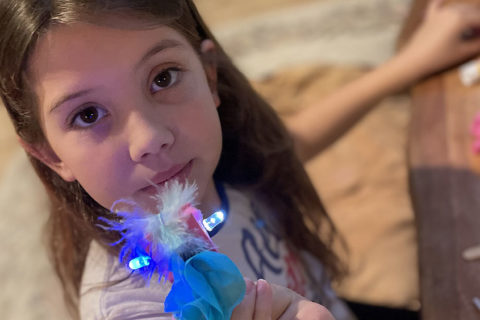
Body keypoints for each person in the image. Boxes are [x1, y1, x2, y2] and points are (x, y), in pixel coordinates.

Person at [0, 0, 479, 319]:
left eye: (163, 78)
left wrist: (412, 61)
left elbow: (290, 140)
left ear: (209, 77)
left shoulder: (225, 167)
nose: (149, 138)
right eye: (88, 114)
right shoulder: (132, 308)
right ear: (48, 154)